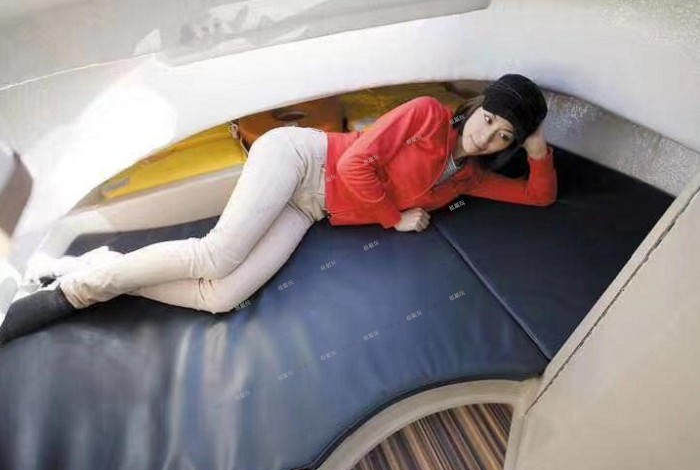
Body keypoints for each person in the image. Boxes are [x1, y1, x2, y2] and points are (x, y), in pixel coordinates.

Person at [0, 73, 556, 345]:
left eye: (503, 135)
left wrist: (536, 149)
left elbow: (540, 196)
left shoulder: (473, 177)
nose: (486, 136)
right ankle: (79, 291)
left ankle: (98, 267)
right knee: (215, 256)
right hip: (301, 159)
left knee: (220, 298)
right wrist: (395, 218)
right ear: (475, 108)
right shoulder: (428, 114)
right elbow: (357, 163)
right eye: (489, 119)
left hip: (310, 207)